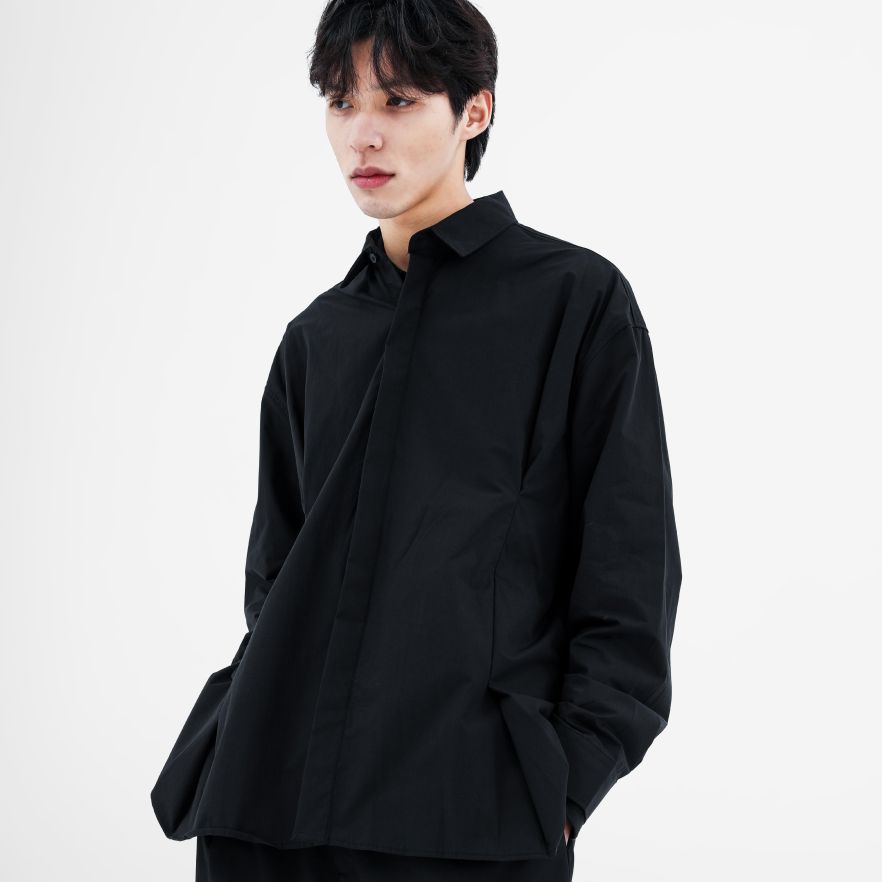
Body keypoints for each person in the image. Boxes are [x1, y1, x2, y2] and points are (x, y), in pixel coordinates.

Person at [150, 1, 682, 879]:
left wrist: (566, 781)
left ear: (475, 110)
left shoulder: (575, 302)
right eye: (342, 102)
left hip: (474, 816)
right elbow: (274, 579)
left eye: (397, 101)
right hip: (270, 812)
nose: (363, 134)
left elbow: (630, 571)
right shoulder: (316, 337)